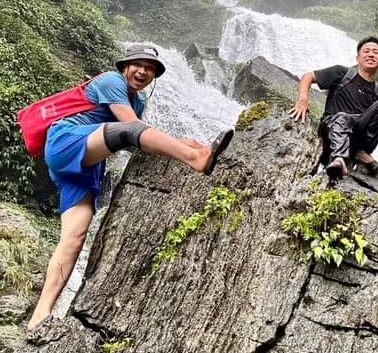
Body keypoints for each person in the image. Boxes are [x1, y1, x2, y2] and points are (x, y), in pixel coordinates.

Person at [27, 44, 233, 330]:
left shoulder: (135, 102)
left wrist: (174, 142)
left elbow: (138, 141)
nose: (143, 71)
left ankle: (40, 316)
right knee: (132, 131)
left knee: (74, 238)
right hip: (66, 141)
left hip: (87, 165)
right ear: (124, 66)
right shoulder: (111, 82)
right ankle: (197, 158)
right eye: (137, 64)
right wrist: (183, 149)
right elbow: (131, 128)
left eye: (150, 68)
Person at [288, 36, 378, 178]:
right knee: (343, 118)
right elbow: (308, 76)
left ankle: (361, 152)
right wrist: (302, 100)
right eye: (366, 51)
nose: (371, 54)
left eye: (375, 52)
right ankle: (339, 160)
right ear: (358, 58)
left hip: (355, 138)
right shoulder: (342, 73)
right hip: (330, 133)